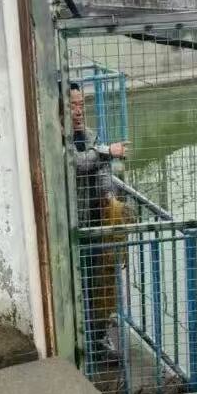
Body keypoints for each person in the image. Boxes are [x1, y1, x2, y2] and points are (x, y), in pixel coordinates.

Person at [68, 83, 128, 370]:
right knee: (77, 286)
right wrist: (106, 152)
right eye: (72, 105)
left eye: (81, 104)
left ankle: (99, 341)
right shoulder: (59, 139)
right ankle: (76, 342)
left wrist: (109, 196)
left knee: (100, 283)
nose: (79, 111)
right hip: (71, 226)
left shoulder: (91, 136)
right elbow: (77, 164)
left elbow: (102, 171)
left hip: (95, 224)